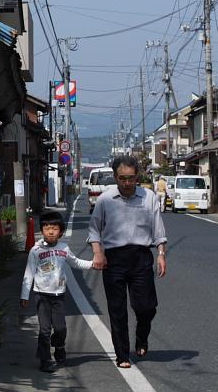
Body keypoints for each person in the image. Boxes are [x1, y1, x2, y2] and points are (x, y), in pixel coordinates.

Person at [87, 155, 167, 369]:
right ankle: (122, 354)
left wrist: (161, 253)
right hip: (113, 258)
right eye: (122, 178)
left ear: (137, 177)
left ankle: (142, 336)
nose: (127, 183)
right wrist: (98, 253)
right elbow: (94, 230)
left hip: (141, 256)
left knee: (146, 307)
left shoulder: (149, 197)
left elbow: (158, 229)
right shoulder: (105, 200)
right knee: (117, 309)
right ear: (115, 177)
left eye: (131, 178)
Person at [20, 211, 95, 373]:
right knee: (45, 329)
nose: (51, 231)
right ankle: (44, 359)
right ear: (42, 231)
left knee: (60, 329)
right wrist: (24, 295)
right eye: (47, 228)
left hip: (59, 295)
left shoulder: (64, 248)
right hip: (42, 295)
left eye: (54, 228)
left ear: (60, 231)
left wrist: (93, 264)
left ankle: (59, 346)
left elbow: (76, 262)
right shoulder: (36, 251)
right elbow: (29, 273)